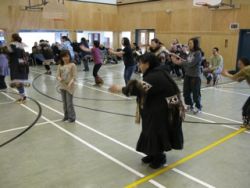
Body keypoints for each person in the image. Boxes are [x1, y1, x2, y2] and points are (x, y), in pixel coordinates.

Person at [109, 53, 184, 169]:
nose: (139, 65)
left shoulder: (154, 76)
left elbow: (139, 89)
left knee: (155, 132)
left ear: (147, 64)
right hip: (157, 108)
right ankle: (152, 153)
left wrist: (120, 88)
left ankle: (159, 157)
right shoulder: (156, 73)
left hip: (162, 111)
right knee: (149, 131)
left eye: (140, 63)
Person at [171, 37, 203, 114]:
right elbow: (187, 62)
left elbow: (191, 64)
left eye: (190, 43)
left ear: (195, 44)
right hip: (188, 75)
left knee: (196, 93)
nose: (189, 45)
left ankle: (198, 107)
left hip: (195, 76)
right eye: (188, 43)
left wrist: (181, 62)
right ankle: (189, 105)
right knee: (186, 92)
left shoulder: (198, 53)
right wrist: (177, 61)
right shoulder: (190, 53)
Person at [222, 57, 250, 129]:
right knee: (245, 108)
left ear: (244, 64)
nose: (238, 65)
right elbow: (239, 80)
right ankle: (246, 123)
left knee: (248, 109)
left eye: (239, 64)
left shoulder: (246, 69)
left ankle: (248, 123)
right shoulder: (247, 70)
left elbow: (234, 77)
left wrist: (226, 74)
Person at [8, 33, 29, 103]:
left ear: (13, 38)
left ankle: (23, 97)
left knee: (18, 82)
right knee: (19, 82)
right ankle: (22, 97)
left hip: (15, 66)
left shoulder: (13, 45)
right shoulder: (21, 45)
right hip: (21, 65)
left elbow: (8, 53)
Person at [56, 50, 77, 123]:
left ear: (69, 56)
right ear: (61, 57)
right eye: (63, 57)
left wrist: (70, 84)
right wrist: (59, 78)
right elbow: (57, 75)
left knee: (69, 103)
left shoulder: (72, 65)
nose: (65, 58)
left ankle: (72, 118)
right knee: (64, 103)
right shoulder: (60, 65)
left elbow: (74, 77)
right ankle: (66, 116)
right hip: (62, 87)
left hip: (70, 87)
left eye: (67, 56)